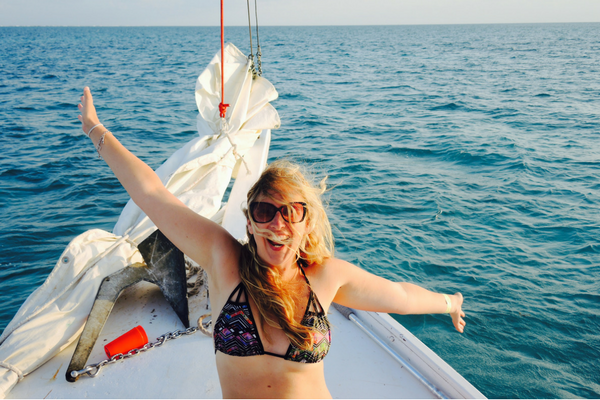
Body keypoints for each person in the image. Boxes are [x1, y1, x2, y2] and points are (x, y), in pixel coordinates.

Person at [78, 86, 466, 399]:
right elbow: (153, 194)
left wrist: (450, 303)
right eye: (265, 211)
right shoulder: (222, 259)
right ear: (249, 222)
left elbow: (399, 295)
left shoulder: (326, 277)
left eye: (291, 212)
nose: (277, 224)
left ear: (306, 222)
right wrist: (96, 130)